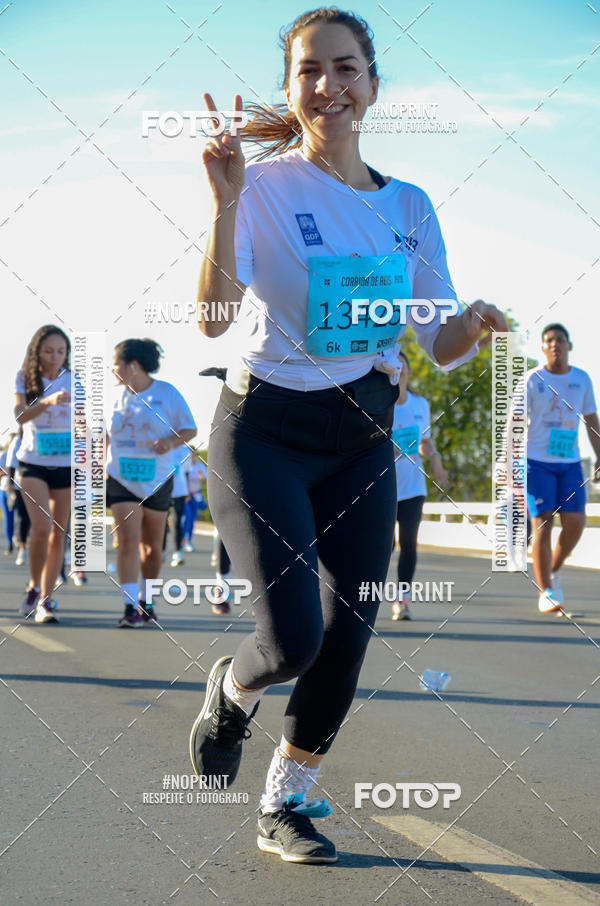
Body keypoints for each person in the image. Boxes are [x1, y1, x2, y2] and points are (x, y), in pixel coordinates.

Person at [189, 7, 506, 864]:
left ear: (372, 84)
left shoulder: (409, 206)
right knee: (291, 641)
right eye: (309, 71)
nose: (328, 85)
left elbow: (435, 343)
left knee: (352, 625)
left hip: (363, 431)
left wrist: (471, 323)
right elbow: (214, 320)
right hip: (263, 429)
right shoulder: (262, 187)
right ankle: (233, 684)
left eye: (346, 68)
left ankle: (284, 804)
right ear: (292, 90)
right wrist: (222, 206)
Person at [106, 338, 197, 627]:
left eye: (116, 363)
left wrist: (170, 441)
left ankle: (147, 600)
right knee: (129, 541)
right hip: (121, 477)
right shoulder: (112, 398)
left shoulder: (167, 393)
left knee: (152, 546)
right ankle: (129, 607)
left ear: (133, 365)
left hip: (157, 478)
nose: (112, 368)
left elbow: (190, 428)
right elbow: (102, 436)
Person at [526, 323, 599, 613]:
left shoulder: (581, 380)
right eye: (549, 341)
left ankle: (552, 571)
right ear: (543, 348)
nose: (555, 344)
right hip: (537, 462)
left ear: (569, 346)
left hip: (569, 463)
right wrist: (509, 462)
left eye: (560, 340)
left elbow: (592, 420)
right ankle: (545, 590)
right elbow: (515, 424)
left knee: (575, 524)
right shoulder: (533, 379)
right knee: (542, 525)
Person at [14, 325, 72, 623]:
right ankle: (34, 587)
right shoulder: (26, 377)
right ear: (38, 351)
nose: (54, 357)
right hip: (33, 463)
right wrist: (46, 402)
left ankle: (46, 599)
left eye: (60, 351)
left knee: (57, 534)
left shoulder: (75, 382)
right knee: (42, 527)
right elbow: (20, 415)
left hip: (65, 465)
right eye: (49, 351)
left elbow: (89, 422)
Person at [390, 352, 448, 620]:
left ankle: (402, 600)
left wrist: (435, 459)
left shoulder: (420, 405)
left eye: (403, 366)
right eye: (395, 366)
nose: (399, 370)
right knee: (384, 546)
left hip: (413, 486)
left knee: (409, 543)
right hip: (384, 486)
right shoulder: (380, 406)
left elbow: (424, 442)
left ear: (408, 372)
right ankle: (362, 599)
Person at [168, 444, 191, 568]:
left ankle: (177, 553)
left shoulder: (184, 449)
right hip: (161, 490)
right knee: (161, 523)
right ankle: (160, 550)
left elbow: (187, 472)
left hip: (180, 490)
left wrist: (187, 490)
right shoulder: (159, 441)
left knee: (177, 523)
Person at [181, 452, 207, 552]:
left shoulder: (199, 465)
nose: (192, 455)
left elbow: (205, 480)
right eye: (190, 453)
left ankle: (188, 541)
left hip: (196, 495)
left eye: (194, 453)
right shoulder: (183, 463)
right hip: (184, 495)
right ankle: (182, 540)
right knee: (186, 518)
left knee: (192, 519)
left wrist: (202, 477)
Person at [0, 434, 17, 555]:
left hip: (20, 489)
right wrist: (8, 473)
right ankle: (10, 543)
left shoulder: (20, 454)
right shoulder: (3, 455)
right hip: (5, 489)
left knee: (21, 518)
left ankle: (21, 540)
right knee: (8, 518)